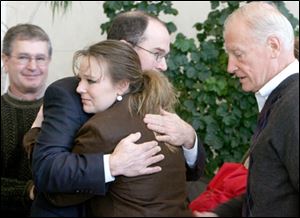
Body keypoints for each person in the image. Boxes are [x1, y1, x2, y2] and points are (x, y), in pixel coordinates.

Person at [26, 10, 205, 217]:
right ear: (126, 47)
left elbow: (181, 173)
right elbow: (48, 170)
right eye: (157, 54)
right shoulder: (68, 94)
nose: (163, 65)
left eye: (165, 56)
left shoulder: (153, 99)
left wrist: (190, 139)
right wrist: (111, 165)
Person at [195, 2, 299, 217]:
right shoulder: (282, 99)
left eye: (238, 54)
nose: (230, 67)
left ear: (273, 46)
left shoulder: (294, 104)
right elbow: (271, 193)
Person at [1, 24, 51, 216]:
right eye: (23, 57)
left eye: (40, 58)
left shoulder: (67, 112)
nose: (33, 66)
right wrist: (29, 191)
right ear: (5, 60)